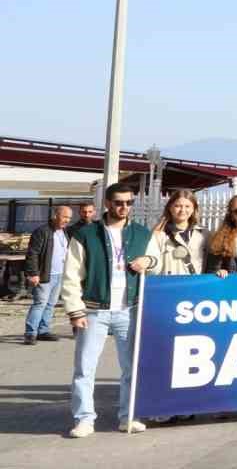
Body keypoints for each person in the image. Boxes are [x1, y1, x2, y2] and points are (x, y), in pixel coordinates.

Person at [60, 184, 155, 437]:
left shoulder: (142, 234)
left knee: (130, 368)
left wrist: (149, 261)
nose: (124, 207)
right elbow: (71, 274)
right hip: (94, 311)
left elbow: (156, 262)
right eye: (118, 202)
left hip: (129, 309)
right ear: (107, 204)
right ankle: (84, 418)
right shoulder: (86, 234)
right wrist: (75, 310)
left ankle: (128, 416)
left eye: (128, 202)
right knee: (84, 368)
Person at [23, 204, 74, 344]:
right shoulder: (42, 231)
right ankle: (30, 333)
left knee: (51, 304)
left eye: (69, 218)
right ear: (55, 216)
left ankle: (43, 331)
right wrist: (33, 273)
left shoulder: (65, 232)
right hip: (45, 274)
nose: (67, 220)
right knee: (40, 303)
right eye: (64, 217)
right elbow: (32, 254)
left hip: (60, 274)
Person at [147, 190, 207, 277]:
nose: (183, 210)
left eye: (187, 206)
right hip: (169, 286)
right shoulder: (159, 235)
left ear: (193, 209)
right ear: (170, 208)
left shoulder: (204, 234)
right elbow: (153, 267)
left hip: (195, 286)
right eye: (178, 206)